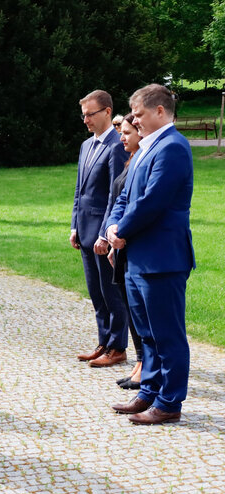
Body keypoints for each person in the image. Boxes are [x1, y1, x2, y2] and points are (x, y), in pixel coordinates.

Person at [107, 84, 194, 425]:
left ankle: (169, 402)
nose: (134, 121)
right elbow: (125, 196)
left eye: (139, 114)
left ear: (160, 111)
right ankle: (149, 392)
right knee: (147, 335)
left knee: (167, 335)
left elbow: (152, 202)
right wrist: (112, 227)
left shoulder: (173, 147)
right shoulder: (146, 147)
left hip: (162, 259)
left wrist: (121, 231)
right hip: (138, 258)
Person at [71, 90, 130, 368]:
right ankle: (103, 342)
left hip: (101, 234)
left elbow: (114, 195)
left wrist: (103, 233)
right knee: (96, 293)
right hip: (84, 230)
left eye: (90, 114)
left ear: (107, 112)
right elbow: (79, 190)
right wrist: (74, 226)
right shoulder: (86, 145)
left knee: (110, 292)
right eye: (83, 115)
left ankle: (118, 347)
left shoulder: (117, 146)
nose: (85, 120)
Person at [102, 114, 144, 389]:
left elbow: (140, 205)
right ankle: (141, 362)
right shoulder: (131, 160)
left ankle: (144, 364)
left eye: (127, 132)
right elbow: (119, 200)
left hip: (132, 242)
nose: (122, 137)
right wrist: (111, 233)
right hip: (121, 243)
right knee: (131, 306)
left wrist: (120, 235)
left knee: (139, 310)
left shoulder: (144, 160)